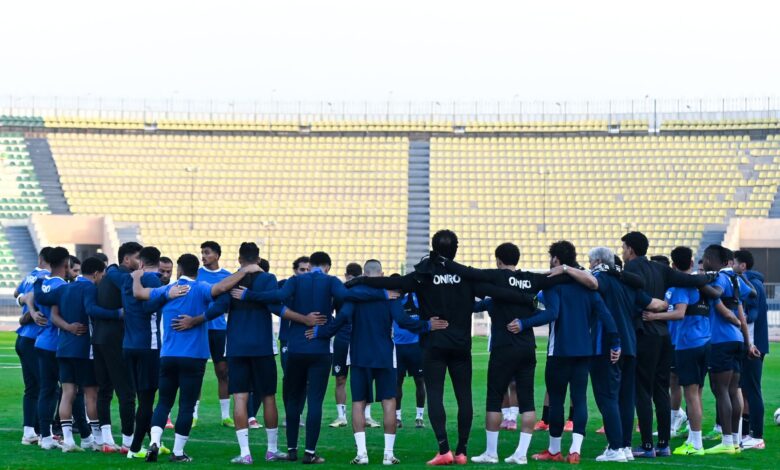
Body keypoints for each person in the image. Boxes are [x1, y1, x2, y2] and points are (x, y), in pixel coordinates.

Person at [347, 230, 538, 465]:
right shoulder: (465, 275)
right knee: (464, 396)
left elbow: (394, 282)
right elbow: (498, 292)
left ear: (434, 248)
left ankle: (444, 450)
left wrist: (361, 280)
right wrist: (526, 299)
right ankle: (462, 451)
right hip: (461, 346)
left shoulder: (424, 274)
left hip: (434, 344)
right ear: (455, 250)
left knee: (435, 395)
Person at [230, 251, 398, 464]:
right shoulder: (331, 281)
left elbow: (277, 297)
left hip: (295, 347)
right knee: (315, 401)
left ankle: (291, 450)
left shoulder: (295, 280)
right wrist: (382, 294)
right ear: (327, 267)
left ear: (310, 266)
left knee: (293, 399)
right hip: (319, 348)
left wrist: (249, 295)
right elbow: (349, 297)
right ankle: (310, 453)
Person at [440, 242, 596, 465]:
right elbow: (561, 284)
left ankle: (491, 453)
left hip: (503, 347)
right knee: (528, 401)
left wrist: (445, 266)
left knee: (495, 399)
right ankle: (521, 454)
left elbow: (471, 279)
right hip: (527, 348)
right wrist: (567, 270)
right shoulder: (531, 280)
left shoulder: (496, 281)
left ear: (498, 261)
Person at [306, 259, 447, 465]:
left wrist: (321, 332)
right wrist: (427, 325)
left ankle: (362, 454)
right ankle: (388, 454)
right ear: (381, 274)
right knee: (389, 402)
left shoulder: (355, 294)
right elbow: (403, 321)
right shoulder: (389, 294)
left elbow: (341, 319)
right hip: (384, 356)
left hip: (359, 355)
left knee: (358, 403)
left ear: (364, 274)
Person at [132, 253, 257, 462]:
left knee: (163, 403)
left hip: (168, 355)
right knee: (187, 405)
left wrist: (137, 276)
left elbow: (139, 293)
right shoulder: (201, 288)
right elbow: (222, 288)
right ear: (196, 271)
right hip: (194, 356)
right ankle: (178, 452)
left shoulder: (168, 290)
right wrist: (243, 271)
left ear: (179, 269)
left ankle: (154, 441)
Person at [515, 241, 620, 464]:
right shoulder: (587, 286)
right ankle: (575, 450)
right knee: (579, 399)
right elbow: (606, 315)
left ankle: (554, 450)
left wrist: (524, 323)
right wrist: (615, 342)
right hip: (584, 351)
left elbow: (551, 313)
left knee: (556, 400)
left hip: (559, 351)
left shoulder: (553, 286)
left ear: (556, 259)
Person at [221, 243, 325, 464]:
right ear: (259, 260)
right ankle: (271, 450)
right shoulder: (268, 279)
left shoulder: (231, 280)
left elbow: (217, 304)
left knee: (240, 397)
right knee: (268, 396)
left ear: (239, 259)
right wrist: (304, 319)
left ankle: (245, 453)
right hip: (262, 346)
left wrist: (196, 319)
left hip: (236, 346)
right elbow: (277, 307)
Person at [620, 231, 715, 458]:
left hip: (644, 332)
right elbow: (692, 280)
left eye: (623, 247)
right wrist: (711, 276)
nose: (622, 252)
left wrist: (651, 304)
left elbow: (633, 296)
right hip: (664, 336)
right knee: (661, 389)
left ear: (630, 249)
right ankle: (663, 444)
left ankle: (646, 446)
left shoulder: (631, 268)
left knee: (643, 391)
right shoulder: (660, 268)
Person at [585, 247, 667, 462]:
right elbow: (654, 303)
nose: (589, 265)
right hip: (631, 346)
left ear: (598, 262)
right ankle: (626, 446)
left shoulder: (601, 279)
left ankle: (615, 447)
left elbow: (591, 284)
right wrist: (667, 304)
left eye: (590, 262)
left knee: (607, 397)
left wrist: (566, 269)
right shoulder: (627, 284)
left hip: (607, 345)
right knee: (626, 399)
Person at [48, 257, 124, 452]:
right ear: (97, 273)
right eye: (103, 275)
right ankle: (98, 440)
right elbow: (91, 310)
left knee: (68, 393)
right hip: (83, 349)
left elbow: (52, 314)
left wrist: (67, 327)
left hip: (63, 348)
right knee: (91, 394)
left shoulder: (64, 288)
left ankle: (68, 441)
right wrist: (118, 313)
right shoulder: (90, 288)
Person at [642, 246, 710, 456]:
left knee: (691, 394)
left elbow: (679, 313)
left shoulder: (679, 287)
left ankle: (696, 444)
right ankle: (693, 437)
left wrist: (654, 316)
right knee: (697, 392)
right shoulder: (700, 285)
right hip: (704, 341)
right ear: (692, 263)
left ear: (672, 265)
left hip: (688, 343)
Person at [112, 247, 171, 459]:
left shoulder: (127, 279)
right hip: (148, 345)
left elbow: (111, 272)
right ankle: (135, 448)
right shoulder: (153, 280)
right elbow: (149, 308)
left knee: (142, 397)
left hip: (129, 345)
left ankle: (154, 442)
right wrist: (167, 294)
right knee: (147, 400)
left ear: (142, 262)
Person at [700, 245, 760, 455]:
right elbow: (748, 300)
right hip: (737, 340)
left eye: (705, 259)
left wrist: (698, 282)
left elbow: (717, 298)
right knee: (734, 390)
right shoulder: (735, 280)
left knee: (721, 391)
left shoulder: (719, 278)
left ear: (710, 259)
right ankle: (735, 440)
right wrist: (748, 343)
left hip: (720, 340)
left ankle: (726, 441)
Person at [95, 241, 142, 452]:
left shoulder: (107, 277)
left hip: (99, 338)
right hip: (117, 340)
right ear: (127, 259)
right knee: (127, 392)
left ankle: (106, 440)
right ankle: (127, 441)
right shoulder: (125, 278)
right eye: (138, 258)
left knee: (104, 390)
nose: (141, 262)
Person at [28, 247, 71, 450]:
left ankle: (45, 436)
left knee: (47, 390)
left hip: (41, 341)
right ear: (66, 263)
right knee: (69, 390)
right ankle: (81, 435)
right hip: (58, 344)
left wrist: (32, 312)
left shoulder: (42, 283)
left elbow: (28, 296)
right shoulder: (62, 286)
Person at [14, 246, 52, 445]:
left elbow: (17, 293)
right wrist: (30, 313)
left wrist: (23, 303)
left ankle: (30, 432)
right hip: (34, 339)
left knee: (33, 388)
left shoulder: (31, 275)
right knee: (47, 387)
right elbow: (34, 300)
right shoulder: (46, 278)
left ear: (40, 258)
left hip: (23, 337)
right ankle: (46, 432)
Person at [195, 241, 233, 427]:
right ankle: (193, 415)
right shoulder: (196, 274)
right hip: (199, 327)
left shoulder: (228, 276)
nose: (203, 256)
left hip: (219, 329)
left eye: (207, 252)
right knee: (196, 372)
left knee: (223, 371)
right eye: (202, 252)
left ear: (217, 255)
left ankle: (225, 416)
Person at [733, 249, 768, 450]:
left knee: (753, 390)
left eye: (734, 263)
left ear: (743, 265)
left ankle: (757, 436)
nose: (731, 266)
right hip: (753, 344)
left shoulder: (752, 285)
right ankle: (747, 433)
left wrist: (750, 344)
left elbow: (751, 316)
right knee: (746, 390)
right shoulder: (752, 282)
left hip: (754, 346)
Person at [329, 262, 365, 428]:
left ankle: (364, 416)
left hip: (357, 338)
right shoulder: (339, 292)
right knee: (341, 377)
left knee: (357, 378)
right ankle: (342, 416)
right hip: (343, 338)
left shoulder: (364, 292)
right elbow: (329, 311)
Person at [394, 288, 427, 429]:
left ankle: (419, 417)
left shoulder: (416, 298)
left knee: (420, 381)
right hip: (398, 347)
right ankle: (397, 417)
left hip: (416, 346)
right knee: (397, 382)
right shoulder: (393, 301)